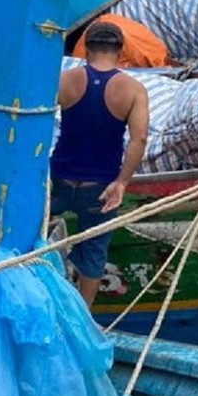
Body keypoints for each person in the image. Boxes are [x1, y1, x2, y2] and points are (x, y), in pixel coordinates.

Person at [50, 20, 150, 305]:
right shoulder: (133, 90)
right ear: (121, 51)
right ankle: (82, 319)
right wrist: (122, 182)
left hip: (58, 178)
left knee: (37, 241)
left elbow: (38, 119)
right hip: (100, 187)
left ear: (86, 48)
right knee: (93, 254)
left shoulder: (64, 80)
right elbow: (139, 139)